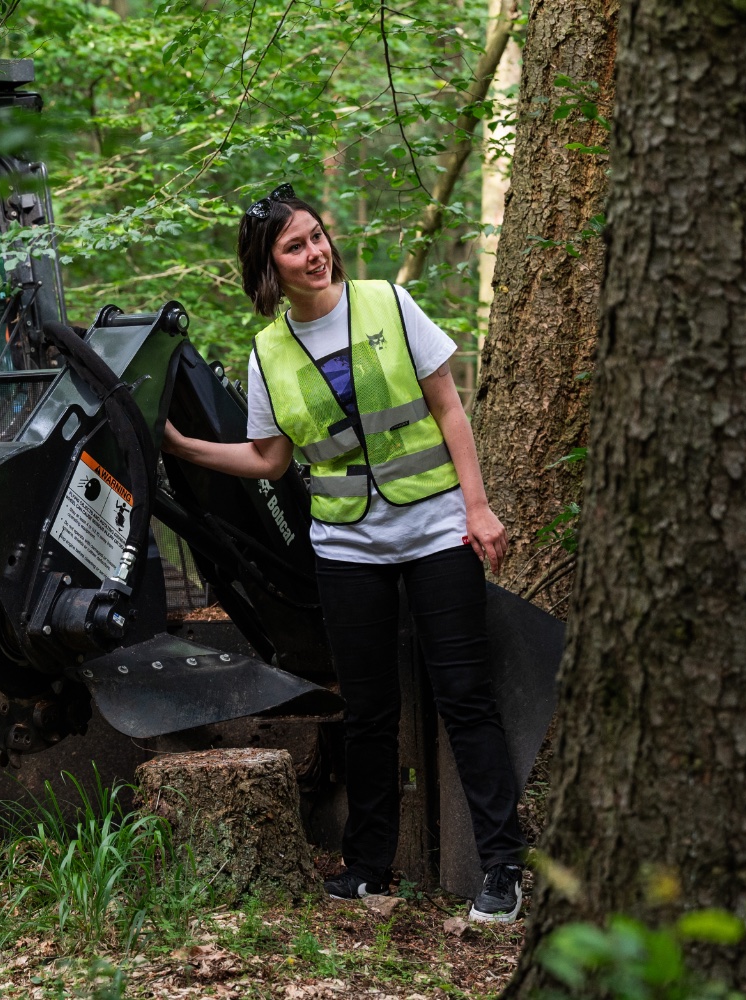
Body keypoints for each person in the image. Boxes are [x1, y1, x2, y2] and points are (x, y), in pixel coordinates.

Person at [159, 183, 526, 922]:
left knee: (465, 698)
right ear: (270, 269)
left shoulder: (389, 304)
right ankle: (368, 867)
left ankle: (502, 867)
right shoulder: (269, 350)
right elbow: (268, 459)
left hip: (435, 530)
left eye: (317, 236)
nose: (315, 252)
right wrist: (178, 444)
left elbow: (450, 406)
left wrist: (479, 508)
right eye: (295, 246)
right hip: (347, 546)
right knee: (366, 710)